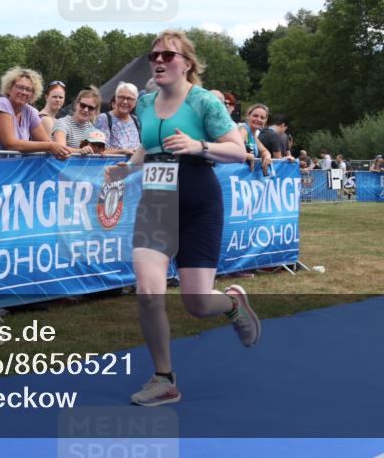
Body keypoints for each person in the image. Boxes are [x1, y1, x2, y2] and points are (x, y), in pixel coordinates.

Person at [104, 30, 258, 407]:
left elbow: (239, 151)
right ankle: (164, 378)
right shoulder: (143, 103)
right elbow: (148, 144)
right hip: (156, 203)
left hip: (199, 201)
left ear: (187, 63)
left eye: (168, 56)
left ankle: (234, 304)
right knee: (148, 292)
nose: (158, 61)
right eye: (154, 54)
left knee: (198, 303)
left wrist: (198, 146)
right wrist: (128, 167)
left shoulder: (204, 102)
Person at [0, 66, 73, 158]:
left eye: (28, 89)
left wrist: (78, 151)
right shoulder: (2, 104)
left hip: (10, 170)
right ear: (9, 88)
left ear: (33, 94)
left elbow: (46, 142)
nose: (23, 92)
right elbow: (10, 143)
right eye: (19, 87)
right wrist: (51, 146)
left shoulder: (30, 112)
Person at [95, 82, 141, 156]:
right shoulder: (103, 119)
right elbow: (99, 150)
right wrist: (124, 151)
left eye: (129, 98)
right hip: (110, 166)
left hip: (134, 166)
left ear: (135, 103)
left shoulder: (136, 120)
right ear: (115, 99)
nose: (125, 101)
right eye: (121, 97)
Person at [239, 103, 272, 173]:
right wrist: (250, 157)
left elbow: (264, 151)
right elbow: (234, 151)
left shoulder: (252, 135)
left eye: (262, 118)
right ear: (248, 116)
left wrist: (267, 156)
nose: (258, 119)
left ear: (265, 121)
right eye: (255, 116)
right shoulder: (244, 130)